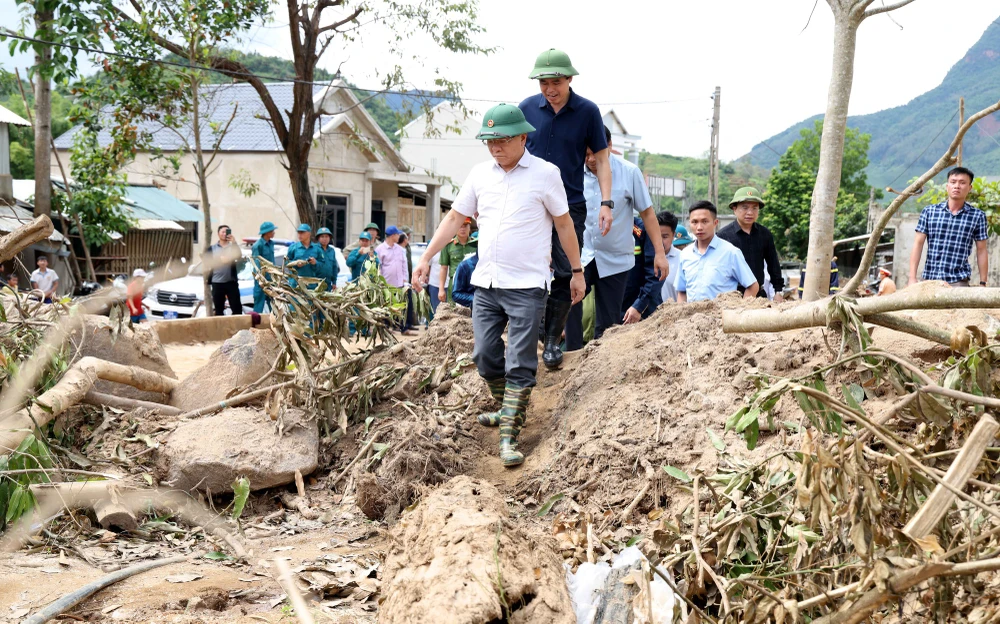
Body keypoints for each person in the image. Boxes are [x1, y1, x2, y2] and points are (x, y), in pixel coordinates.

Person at [412, 103, 585, 467]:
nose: (495, 147)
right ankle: (509, 408)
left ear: (523, 138)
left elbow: (564, 224)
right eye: (489, 141)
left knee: (520, 361)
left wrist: (576, 270)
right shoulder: (480, 174)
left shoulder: (545, 174)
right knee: (484, 356)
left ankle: (509, 436)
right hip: (487, 283)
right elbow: (455, 217)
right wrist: (426, 257)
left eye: (502, 140)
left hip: (527, 285)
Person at [519, 48, 613, 369]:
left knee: (565, 271)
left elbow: (602, 160)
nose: (549, 89)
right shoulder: (526, 109)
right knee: (528, 267)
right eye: (543, 83)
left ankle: (551, 342)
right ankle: (533, 332)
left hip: (569, 204)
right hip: (530, 205)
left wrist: (606, 202)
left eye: (556, 82)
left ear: (569, 79)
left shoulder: (588, 112)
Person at [568, 126, 667, 348]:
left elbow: (648, 214)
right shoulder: (572, 172)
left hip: (616, 257)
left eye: (595, 153)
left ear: (609, 146)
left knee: (608, 322)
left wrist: (660, 253)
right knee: (569, 301)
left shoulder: (629, 172)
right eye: (585, 154)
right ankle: (572, 356)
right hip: (582, 254)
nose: (590, 160)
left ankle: (600, 360)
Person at [909, 166, 988, 287]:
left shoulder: (977, 216)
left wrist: (983, 282)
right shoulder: (929, 212)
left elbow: (981, 250)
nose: (957, 186)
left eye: (962, 183)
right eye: (953, 182)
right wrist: (912, 278)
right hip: (930, 280)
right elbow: (918, 244)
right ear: (947, 186)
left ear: (970, 188)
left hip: (958, 281)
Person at [675, 201, 759, 302]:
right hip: (692, 312)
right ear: (690, 223)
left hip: (722, 311)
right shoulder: (685, 254)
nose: (699, 227)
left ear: (715, 223)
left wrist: (740, 308)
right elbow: (682, 291)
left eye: (705, 221)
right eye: (695, 222)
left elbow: (753, 286)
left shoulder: (731, 252)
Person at [717, 187, 785, 302]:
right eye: (745, 207)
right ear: (734, 209)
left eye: (754, 208)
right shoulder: (723, 236)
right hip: (732, 296)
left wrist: (778, 291)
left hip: (758, 296)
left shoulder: (765, 234)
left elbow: (773, 265)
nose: (750, 212)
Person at [622, 211, 680, 323]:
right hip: (623, 306)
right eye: (657, 235)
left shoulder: (682, 257)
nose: (660, 241)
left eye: (664, 236)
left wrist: (639, 305)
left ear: (673, 235)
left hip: (649, 310)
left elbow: (655, 277)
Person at [207, 225, 245, 315]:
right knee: (218, 309)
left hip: (231, 282)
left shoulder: (232, 247)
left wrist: (234, 242)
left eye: (226, 232)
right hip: (217, 282)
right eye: (222, 232)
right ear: (218, 234)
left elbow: (239, 256)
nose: (224, 234)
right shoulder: (212, 248)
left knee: (236, 308)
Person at [439, 217, 478, 303]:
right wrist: (441, 289)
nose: (463, 229)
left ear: (469, 228)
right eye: (460, 226)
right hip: (455, 283)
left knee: (473, 307)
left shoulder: (476, 244)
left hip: (473, 284)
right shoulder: (448, 245)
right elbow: (444, 268)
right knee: (454, 309)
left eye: (465, 226)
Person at [251, 221, 277, 313]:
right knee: (259, 305)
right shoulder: (257, 245)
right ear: (267, 232)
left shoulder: (271, 244)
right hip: (261, 280)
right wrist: (260, 279)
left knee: (273, 305)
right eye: (272, 231)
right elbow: (256, 263)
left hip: (271, 279)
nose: (274, 233)